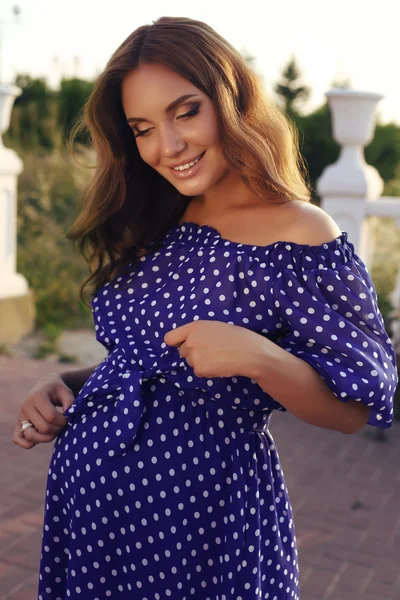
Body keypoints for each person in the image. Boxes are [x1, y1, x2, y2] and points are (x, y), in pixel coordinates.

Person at [13, 16, 398, 600]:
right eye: (142, 128)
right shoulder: (162, 214)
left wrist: (260, 358)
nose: (167, 147)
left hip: (203, 526)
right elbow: (154, 360)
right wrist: (65, 381)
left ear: (232, 99)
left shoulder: (300, 233)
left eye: (186, 111)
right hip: (93, 519)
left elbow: (354, 407)